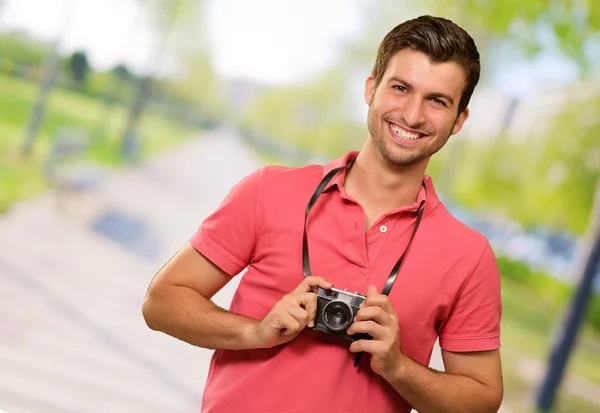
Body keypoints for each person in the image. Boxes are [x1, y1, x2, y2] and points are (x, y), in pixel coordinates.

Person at [142, 14, 504, 413]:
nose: (414, 115)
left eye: (438, 101)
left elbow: (482, 401)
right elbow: (161, 302)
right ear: (371, 88)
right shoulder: (269, 190)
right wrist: (256, 331)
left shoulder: (470, 257)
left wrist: (398, 367)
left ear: (459, 120)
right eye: (401, 88)